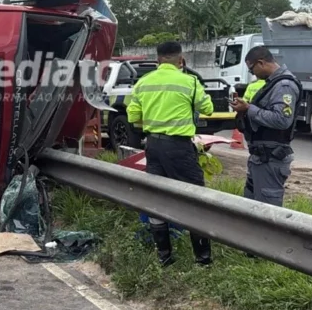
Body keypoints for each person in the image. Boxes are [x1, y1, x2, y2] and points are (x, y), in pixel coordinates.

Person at [127, 41, 215, 267]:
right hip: (179, 147)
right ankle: (203, 260)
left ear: (158, 59)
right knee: (195, 198)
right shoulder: (190, 81)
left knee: (157, 197)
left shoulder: (143, 82)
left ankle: (164, 257)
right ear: (181, 60)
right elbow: (208, 109)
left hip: (153, 146)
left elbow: (133, 117)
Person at [230, 46, 302, 207]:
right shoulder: (272, 84)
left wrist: (248, 108)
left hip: (270, 158)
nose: (253, 74)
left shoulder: (284, 85)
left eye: (252, 69)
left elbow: (282, 120)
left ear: (261, 63)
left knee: (267, 210)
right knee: (251, 206)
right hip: (261, 158)